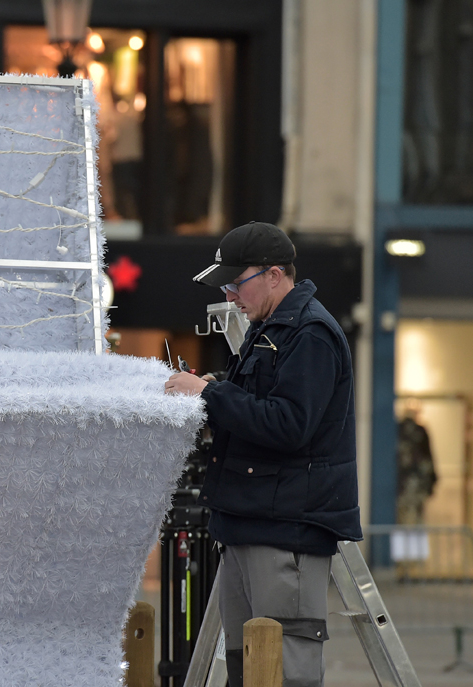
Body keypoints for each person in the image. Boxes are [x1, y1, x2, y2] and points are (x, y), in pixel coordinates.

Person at [165, 221, 362, 687]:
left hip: (285, 530)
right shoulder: (273, 326)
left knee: (282, 669)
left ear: (275, 275)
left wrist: (209, 395)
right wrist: (215, 387)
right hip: (254, 521)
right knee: (248, 669)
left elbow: (289, 423)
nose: (232, 296)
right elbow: (261, 399)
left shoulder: (310, 333)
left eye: (237, 283)